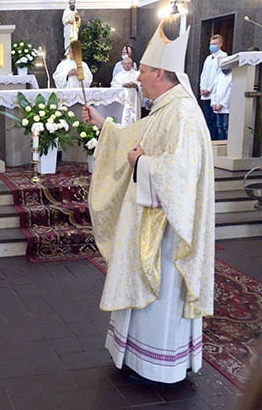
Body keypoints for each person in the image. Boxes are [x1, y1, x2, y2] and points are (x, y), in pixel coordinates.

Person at [82, 20, 214, 384]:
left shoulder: (183, 113)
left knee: (163, 298)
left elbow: (181, 174)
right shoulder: (165, 107)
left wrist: (141, 163)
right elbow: (135, 138)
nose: (137, 76)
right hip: (150, 223)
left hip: (169, 232)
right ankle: (138, 359)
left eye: (141, 70)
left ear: (159, 71)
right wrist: (103, 126)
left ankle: (159, 366)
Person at [199, 34, 227, 140]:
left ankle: (215, 140)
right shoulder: (208, 58)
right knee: (208, 118)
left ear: (220, 44)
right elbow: (204, 74)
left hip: (214, 93)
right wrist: (202, 87)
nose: (212, 46)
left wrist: (209, 89)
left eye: (215, 44)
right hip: (204, 93)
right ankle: (209, 139)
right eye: (211, 44)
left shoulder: (223, 56)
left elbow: (218, 75)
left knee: (215, 120)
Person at [111, 57, 140, 127]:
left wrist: (136, 85)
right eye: (125, 64)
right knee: (124, 117)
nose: (127, 65)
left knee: (134, 117)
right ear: (122, 65)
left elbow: (142, 85)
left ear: (132, 64)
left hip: (134, 99)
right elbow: (113, 86)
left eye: (128, 63)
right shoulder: (118, 76)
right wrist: (122, 85)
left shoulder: (137, 74)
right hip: (123, 100)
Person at [211, 61, 232, 141]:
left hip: (226, 107)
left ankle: (226, 143)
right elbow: (214, 91)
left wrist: (222, 104)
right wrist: (213, 103)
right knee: (219, 126)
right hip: (216, 106)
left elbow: (229, 93)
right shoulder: (219, 77)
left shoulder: (232, 77)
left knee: (225, 126)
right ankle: (220, 141)